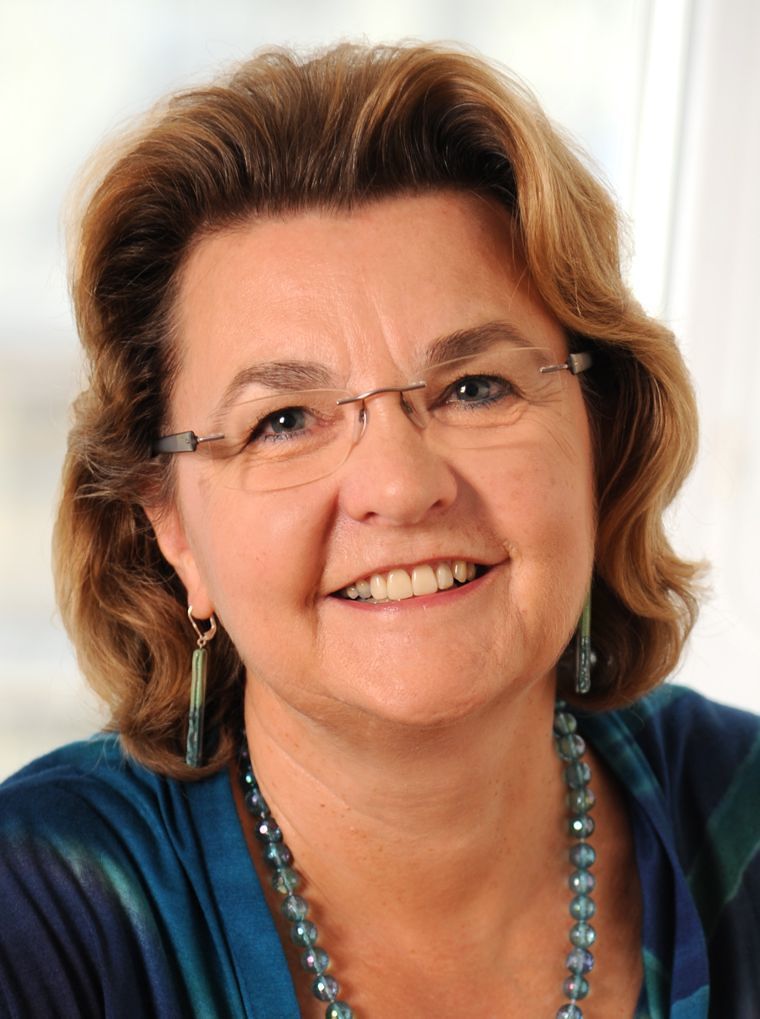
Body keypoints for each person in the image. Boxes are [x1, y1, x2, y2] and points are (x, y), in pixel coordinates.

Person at [0, 41, 758, 1019]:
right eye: (284, 420)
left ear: (598, 438)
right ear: (172, 527)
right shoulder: (37, 918)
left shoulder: (740, 816)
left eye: (474, 387)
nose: (399, 487)